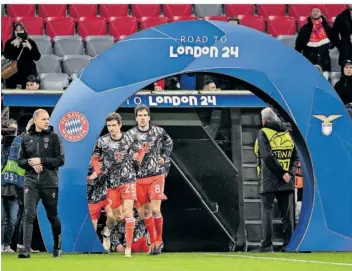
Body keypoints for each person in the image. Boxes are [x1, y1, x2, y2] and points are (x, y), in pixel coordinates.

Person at [92, 112, 144, 257]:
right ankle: (107, 232)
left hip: (128, 179)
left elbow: (141, 150)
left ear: (120, 125)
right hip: (111, 182)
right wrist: (99, 172)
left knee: (128, 211)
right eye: (109, 126)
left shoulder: (130, 138)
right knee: (114, 217)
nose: (111, 128)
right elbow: (95, 158)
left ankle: (128, 249)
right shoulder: (102, 141)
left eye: (114, 125)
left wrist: (137, 161)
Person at [17, 109, 64, 258]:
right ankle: (25, 250)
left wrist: (41, 161)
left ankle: (57, 247)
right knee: (28, 215)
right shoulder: (25, 138)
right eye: (44, 119)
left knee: (52, 216)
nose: (47, 121)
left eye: (48, 119)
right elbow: (20, 161)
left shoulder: (54, 137)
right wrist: (31, 162)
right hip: (30, 182)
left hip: (49, 182)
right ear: (35, 120)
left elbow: (60, 160)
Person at [128, 105, 173, 255]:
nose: (142, 118)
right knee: (145, 212)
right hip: (139, 178)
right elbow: (125, 152)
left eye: (144, 115)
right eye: (139, 115)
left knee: (155, 209)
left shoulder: (158, 132)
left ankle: (158, 240)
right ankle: (153, 242)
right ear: (136, 118)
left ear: (148, 117)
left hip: (156, 175)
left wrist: (164, 157)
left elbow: (169, 143)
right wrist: (132, 157)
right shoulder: (130, 135)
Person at [254, 107, 299, 252]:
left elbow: (267, 157)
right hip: (286, 179)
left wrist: (280, 173)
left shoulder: (264, 133)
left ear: (264, 120)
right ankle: (289, 245)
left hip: (269, 178)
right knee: (287, 214)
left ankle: (266, 246)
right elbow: (295, 157)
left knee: (266, 212)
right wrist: (289, 174)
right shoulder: (288, 133)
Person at [295, 5, 334, 80]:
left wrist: (329, 46)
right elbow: (298, 46)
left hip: (324, 61)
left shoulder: (327, 27)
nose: (315, 13)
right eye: (313, 11)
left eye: (317, 11)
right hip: (309, 60)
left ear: (321, 13)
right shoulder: (305, 28)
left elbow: (334, 40)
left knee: (324, 83)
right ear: (310, 13)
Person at [3, 23, 41, 89]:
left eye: (21, 30)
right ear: (14, 32)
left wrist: (29, 47)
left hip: (28, 70)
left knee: (29, 86)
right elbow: (6, 56)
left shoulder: (30, 42)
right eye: (16, 30)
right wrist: (13, 45)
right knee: (11, 87)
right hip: (13, 70)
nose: (18, 32)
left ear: (24, 31)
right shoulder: (9, 42)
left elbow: (37, 57)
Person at [1, 119, 20, 253]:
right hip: (1, 184)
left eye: (14, 131)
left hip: (14, 185)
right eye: (10, 131)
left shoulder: (20, 145)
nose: (12, 134)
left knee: (12, 219)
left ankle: (6, 244)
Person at [87, 157, 114, 233]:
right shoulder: (85, 161)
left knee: (112, 218)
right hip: (92, 201)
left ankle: (106, 234)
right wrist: (90, 177)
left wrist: (109, 195)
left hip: (104, 198)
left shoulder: (107, 160)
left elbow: (108, 180)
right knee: (93, 224)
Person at [332, 5, 352, 71]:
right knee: (345, 77)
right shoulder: (341, 17)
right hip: (346, 53)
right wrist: (340, 46)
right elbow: (334, 34)